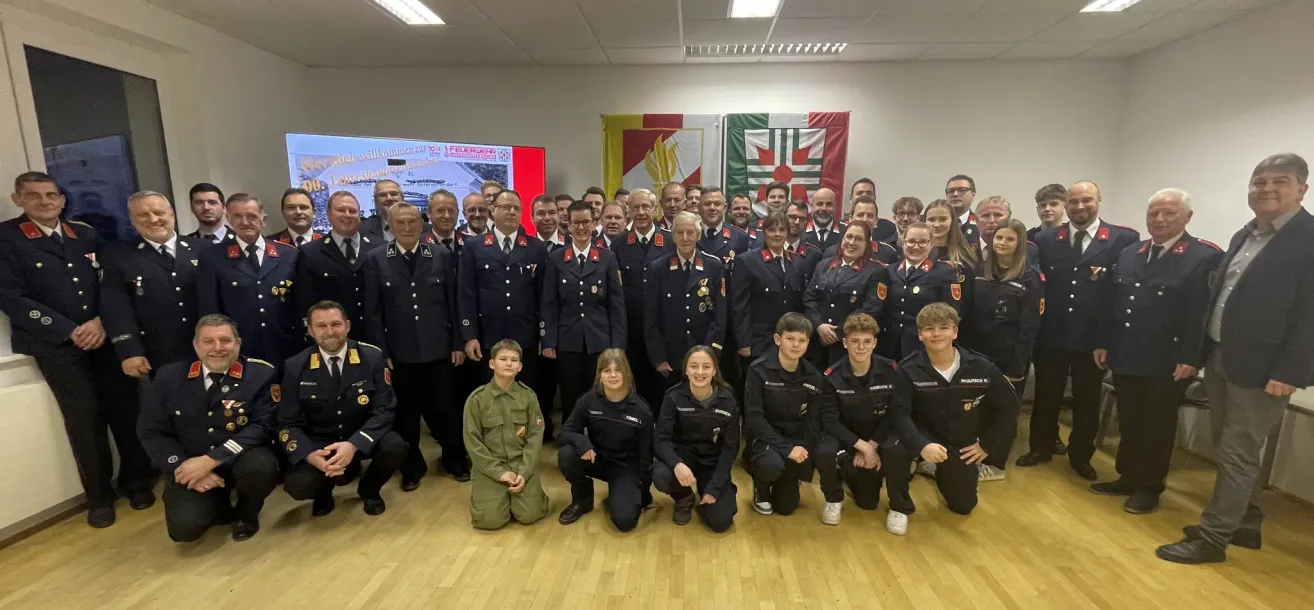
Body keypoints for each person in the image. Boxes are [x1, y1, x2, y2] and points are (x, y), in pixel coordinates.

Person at [1157, 154, 1314, 564]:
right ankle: (1245, 521)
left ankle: (1213, 538)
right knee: (1232, 449)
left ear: (1302, 189)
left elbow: (1310, 315)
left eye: (1280, 181)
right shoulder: (1244, 235)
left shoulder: (1309, 239)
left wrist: (1291, 370)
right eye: (1259, 181)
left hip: (1264, 370)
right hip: (1222, 357)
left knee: (1237, 453)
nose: (1267, 189)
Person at [0, 171, 154, 528]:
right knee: (85, 423)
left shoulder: (83, 234)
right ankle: (99, 498)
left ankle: (136, 482)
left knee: (126, 414)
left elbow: (108, 283)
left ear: (62, 199)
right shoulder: (7, 239)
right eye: (34, 195)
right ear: (18, 199)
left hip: (103, 340)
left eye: (51, 195)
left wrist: (102, 320)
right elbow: (10, 297)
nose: (45, 201)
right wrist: (67, 330)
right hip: (56, 346)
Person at [1092, 189, 1221, 514]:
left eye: (1169, 213)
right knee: (1129, 421)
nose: (1159, 219)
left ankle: (1149, 487)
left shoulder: (1202, 257)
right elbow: (1114, 303)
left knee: (1157, 426)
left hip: (1168, 359)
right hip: (1126, 352)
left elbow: (1200, 315)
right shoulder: (1131, 253)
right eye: (1154, 213)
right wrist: (1104, 341)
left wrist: (1191, 358)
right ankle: (1127, 477)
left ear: (1187, 217)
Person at [1021, 181, 1140, 480]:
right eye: (1073, 201)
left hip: (1093, 338)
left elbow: (1120, 293)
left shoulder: (1122, 239)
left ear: (1099, 200)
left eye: (1086, 200)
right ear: (1066, 205)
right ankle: (1040, 447)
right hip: (1052, 334)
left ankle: (1081, 455)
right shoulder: (1047, 239)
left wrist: (1107, 339)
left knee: (1087, 400)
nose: (1079, 206)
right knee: (1046, 396)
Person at [136, 314, 278, 542]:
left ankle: (247, 512)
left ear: (238, 343)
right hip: (190, 462)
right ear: (196, 345)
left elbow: (263, 426)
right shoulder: (169, 377)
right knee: (185, 530)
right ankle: (219, 506)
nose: (217, 348)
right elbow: (151, 431)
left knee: (261, 466)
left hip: (240, 459)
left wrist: (212, 460)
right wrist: (182, 466)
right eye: (208, 341)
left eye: (225, 340)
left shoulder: (260, 374)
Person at [882, 303, 1018, 524]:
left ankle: (936, 469)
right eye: (929, 329)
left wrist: (987, 445)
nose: (936, 334)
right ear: (920, 335)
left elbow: (1009, 408)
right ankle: (900, 506)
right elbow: (899, 415)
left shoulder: (981, 366)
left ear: (955, 332)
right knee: (893, 448)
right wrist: (921, 444)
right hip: (920, 435)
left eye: (943, 327)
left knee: (963, 506)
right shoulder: (907, 369)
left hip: (959, 440)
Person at [362, 203, 465, 489]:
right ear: (391, 226)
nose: (407, 228)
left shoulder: (440, 255)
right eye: (400, 223)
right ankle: (411, 468)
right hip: (400, 353)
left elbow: (453, 304)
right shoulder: (376, 259)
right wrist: (381, 353)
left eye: (412, 222)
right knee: (406, 415)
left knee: (446, 410)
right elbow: (373, 312)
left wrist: (457, 343)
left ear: (421, 224)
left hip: (438, 349)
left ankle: (454, 460)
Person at [278, 301, 405, 516]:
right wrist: (309, 455)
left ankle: (369, 490)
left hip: (361, 435)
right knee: (297, 485)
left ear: (347, 326)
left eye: (336, 324)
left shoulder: (371, 357)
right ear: (310, 331)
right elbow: (287, 422)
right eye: (321, 326)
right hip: (321, 443)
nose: (330, 332)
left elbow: (385, 410)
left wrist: (354, 444)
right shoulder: (295, 366)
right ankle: (323, 494)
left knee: (395, 446)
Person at [814, 313, 919, 532]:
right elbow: (830, 421)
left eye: (866, 341)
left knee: (870, 499)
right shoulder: (832, 376)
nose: (861, 347)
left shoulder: (891, 371)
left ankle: (899, 507)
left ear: (875, 343)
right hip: (848, 438)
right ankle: (833, 497)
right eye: (855, 341)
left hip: (880, 436)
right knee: (824, 450)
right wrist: (861, 446)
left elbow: (897, 413)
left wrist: (872, 445)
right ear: (845, 343)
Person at [961, 218, 1044, 481]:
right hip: (978, 352)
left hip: (1009, 357)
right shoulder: (980, 271)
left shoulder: (1031, 277)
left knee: (1003, 411)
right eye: (999, 238)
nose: (1003, 243)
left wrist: (1018, 364)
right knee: (978, 409)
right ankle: (976, 458)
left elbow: (1030, 326)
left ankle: (995, 463)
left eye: (1010, 239)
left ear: (1020, 243)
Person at [458, 190, 549, 431]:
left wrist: (544, 335)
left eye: (516, 208)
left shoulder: (536, 248)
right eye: (505, 207)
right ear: (492, 210)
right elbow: (466, 295)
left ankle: (523, 441)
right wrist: (469, 335)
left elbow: (544, 296)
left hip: (525, 336)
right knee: (489, 395)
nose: (511, 212)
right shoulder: (474, 246)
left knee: (525, 393)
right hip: (488, 335)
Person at [542, 200, 627, 424]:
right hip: (567, 339)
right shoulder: (556, 258)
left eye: (586, 222)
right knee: (569, 393)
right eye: (576, 223)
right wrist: (548, 339)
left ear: (594, 224)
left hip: (599, 339)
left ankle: (599, 434)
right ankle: (571, 435)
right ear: (568, 225)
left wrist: (618, 344)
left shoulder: (607, 258)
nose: (581, 228)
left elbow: (616, 305)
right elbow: (549, 302)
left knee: (599, 392)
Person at [102, 190, 202, 375]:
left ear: (171, 214)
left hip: (209, 348)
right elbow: (116, 308)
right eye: (143, 215)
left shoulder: (203, 249)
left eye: (159, 212)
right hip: (158, 354)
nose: (153, 219)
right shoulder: (119, 257)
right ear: (132, 220)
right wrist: (129, 351)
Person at [197, 193, 301, 366]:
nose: (245, 222)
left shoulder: (288, 254)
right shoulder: (212, 257)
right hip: (240, 349)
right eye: (237, 216)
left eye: (251, 216)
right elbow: (210, 310)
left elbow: (298, 302)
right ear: (228, 219)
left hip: (285, 345)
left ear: (263, 219)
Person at [557, 349, 653, 531]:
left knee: (625, 522)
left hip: (625, 467)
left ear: (626, 374)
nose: (613, 375)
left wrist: (642, 489)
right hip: (597, 458)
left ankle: (623, 494)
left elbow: (646, 455)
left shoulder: (641, 410)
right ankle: (583, 499)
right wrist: (583, 443)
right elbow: (566, 432)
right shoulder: (589, 400)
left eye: (618, 370)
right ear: (600, 375)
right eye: (607, 370)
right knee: (567, 454)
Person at [463, 339, 550, 530]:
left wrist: (524, 472)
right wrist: (499, 473)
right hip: (490, 467)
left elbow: (535, 438)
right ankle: (493, 499)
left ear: (520, 366)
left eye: (514, 360)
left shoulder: (528, 397)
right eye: (503, 359)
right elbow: (473, 442)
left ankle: (526, 497)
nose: (509, 363)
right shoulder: (477, 399)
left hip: (521, 465)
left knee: (530, 515)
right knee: (489, 521)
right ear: (492, 363)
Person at [743, 312, 823, 516]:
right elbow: (754, 417)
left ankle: (786, 480)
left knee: (786, 507)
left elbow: (813, 421)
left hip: (796, 441)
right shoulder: (758, 370)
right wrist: (786, 448)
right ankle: (761, 490)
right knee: (770, 465)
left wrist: (806, 462)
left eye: (802, 340)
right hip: (765, 440)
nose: (796, 345)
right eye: (790, 338)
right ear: (778, 339)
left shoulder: (813, 375)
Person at [652, 346, 739, 531]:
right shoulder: (673, 396)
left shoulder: (728, 400)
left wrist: (714, 488)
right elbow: (660, 439)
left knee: (721, 522)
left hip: (712, 463)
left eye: (706, 366)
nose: (700, 372)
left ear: (714, 371)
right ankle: (683, 497)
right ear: (686, 370)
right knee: (660, 474)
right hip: (683, 459)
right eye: (694, 366)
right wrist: (677, 464)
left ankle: (710, 491)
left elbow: (730, 448)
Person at [643, 212, 726, 401]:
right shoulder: (658, 268)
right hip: (671, 358)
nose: (685, 238)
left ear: (699, 235)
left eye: (690, 232)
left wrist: (710, 354)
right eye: (680, 233)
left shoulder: (713, 266)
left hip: (703, 356)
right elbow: (651, 318)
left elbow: (719, 317)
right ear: (673, 236)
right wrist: (659, 358)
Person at [613, 189, 674, 409]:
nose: (640, 212)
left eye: (645, 207)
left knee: (663, 389)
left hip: (664, 331)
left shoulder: (670, 241)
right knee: (634, 387)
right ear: (628, 210)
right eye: (635, 207)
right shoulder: (618, 244)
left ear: (655, 209)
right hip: (633, 331)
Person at [293, 191, 381, 341]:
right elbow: (305, 303)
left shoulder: (378, 247)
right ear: (328, 215)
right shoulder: (310, 253)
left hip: (375, 337)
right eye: (340, 210)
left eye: (352, 211)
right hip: (333, 338)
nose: (347, 215)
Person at [804, 222, 886, 366]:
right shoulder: (824, 265)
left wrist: (838, 333)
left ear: (867, 244)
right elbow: (809, 299)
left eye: (858, 239)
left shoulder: (876, 271)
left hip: (848, 345)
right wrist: (819, 326)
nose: (852, 242)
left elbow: (871, 309)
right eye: (849, 237)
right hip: (816, 342)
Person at [731, 212, 808, 362]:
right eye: (772, 230)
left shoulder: (797, 262)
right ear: (764, 232)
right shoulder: (747, 261)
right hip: (759, 341)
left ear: (787, 232)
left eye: (782, 229)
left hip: (789, 340)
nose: (777, 234)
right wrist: (743, 342)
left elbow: (799, 304)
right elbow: (739, 306)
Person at [879, 223, 963, 361]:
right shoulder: (890, 270)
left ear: (931, 245)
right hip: (890, 345)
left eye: (923, 242)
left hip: (925, 346)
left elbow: (951, 313)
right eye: (911, 241)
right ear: (903, 243)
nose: (916, 247)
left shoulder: (944, 272)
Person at [824, 195, 899, 265]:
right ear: (850, 219)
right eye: (860, 215)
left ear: (876, 221)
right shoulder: (831, 252)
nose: (865, 219)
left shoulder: (888, 254)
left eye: (870, 216)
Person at [975, 196, 1040, 269]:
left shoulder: (1027, 250)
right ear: (976, 220)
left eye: (998, 215)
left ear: (1008, 218)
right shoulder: (968, 249)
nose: (991, 220)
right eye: (986, 216)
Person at [697, 186, 752, 263]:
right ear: (699, 208)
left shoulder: (740, 237)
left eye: (717, 204)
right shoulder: (688, 234)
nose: (712, 208)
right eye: (707, 204)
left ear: (725, 208)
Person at [850, 178, 898, 245]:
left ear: (874, 197)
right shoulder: (840, 229)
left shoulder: (888, 229)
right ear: (851, 198)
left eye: (869, 193)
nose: (864, 195)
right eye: (859, 193)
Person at [784, 201, 823, 282]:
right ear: (783, 217)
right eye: (792, 217)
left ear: (806, 222)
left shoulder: (814, 255)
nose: (797, 222)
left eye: (802, 219)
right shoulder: (772, 249)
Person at [801, 188, 845, 252]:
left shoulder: (845, 232)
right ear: (812, 206)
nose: (824, 208)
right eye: (819, 204)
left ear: (835, 207)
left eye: (829, 204)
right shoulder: (801, 232)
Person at [945, 175, 981, 248]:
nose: (955, 194)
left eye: (962, 190)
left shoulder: (980, 223)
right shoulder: (935, 223)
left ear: (973, 195)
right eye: (951, 191)